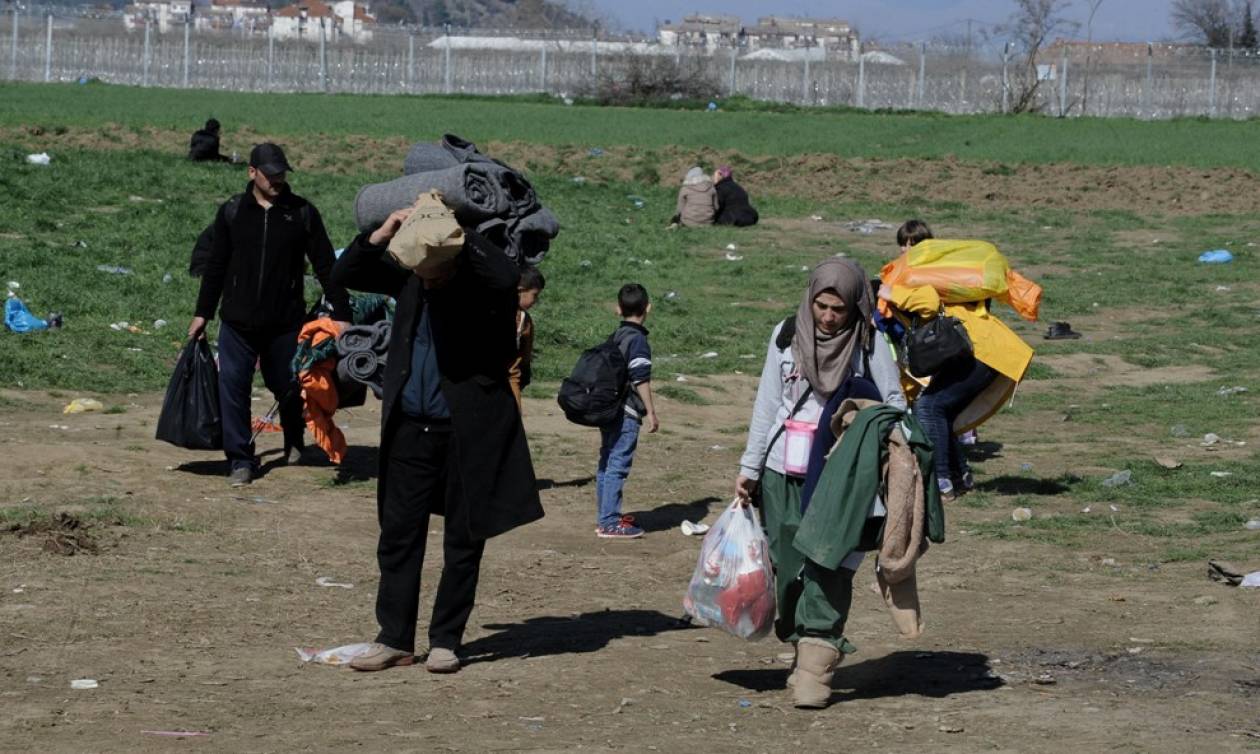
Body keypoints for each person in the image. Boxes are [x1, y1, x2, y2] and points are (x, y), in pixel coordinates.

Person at [331, 209, 544, 673]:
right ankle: (395, 639)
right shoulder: (411, 280)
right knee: (399, 536)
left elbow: (507, 274)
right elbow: (346, 270)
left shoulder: (483, 288)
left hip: (466, 433)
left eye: (435, 271)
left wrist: (454, 233)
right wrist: (385, 231)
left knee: (463, 541)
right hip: (410, 428)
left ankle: (446, 639)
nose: (427, 281)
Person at [734, 258, 906, 708]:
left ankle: (815, 669)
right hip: (780, 472)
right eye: (820, 306)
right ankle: (799, 647)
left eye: (838, 309)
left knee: (830, 565)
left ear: (854, 307)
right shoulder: (786, 335)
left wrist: (864, 425)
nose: (828, 317)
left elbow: (894, 405)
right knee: (787, 566)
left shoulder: (872, 343)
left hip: (841, 476)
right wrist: (750, 467)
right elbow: (767, 403)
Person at [188, 143, 351, 487]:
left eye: (281, 174)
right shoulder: (233, 212)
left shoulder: (302, 213)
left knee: (288, 386)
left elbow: (326, 265)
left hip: (284, 322)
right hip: (236, 321)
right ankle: (240, 460)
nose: (277, 180)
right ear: (252, 173)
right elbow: (216, 265)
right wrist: (202, 313)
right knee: (232, 386)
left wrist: (342, 313)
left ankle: (294, 438)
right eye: (271, 174)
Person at [878, 219, 1034, 501]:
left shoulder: (912, 280)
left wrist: (892, 293)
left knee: (929, 407)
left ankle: (940, 483)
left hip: (979, 352)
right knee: (941, 410)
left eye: (910, 245)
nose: (904, 250)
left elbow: (927, 302)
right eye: (902, 244)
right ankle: (961, 476)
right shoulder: (925, 277)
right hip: (980, 352)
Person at [594, 283, 659, 540]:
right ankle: (610, 522)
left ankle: (605, 516)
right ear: (648, 308)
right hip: (627, 412)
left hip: (608, 410)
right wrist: (651, 412)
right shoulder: (638, 340)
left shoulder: (617, 336)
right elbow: (640, 378)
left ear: (618, 309)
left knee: (606, 461)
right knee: (618, 464)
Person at [508, 265, 544, 410]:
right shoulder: (523, 320)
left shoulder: (525, 320)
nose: (536, 301)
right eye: (534, 295)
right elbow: (525, 357)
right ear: (520, 290)